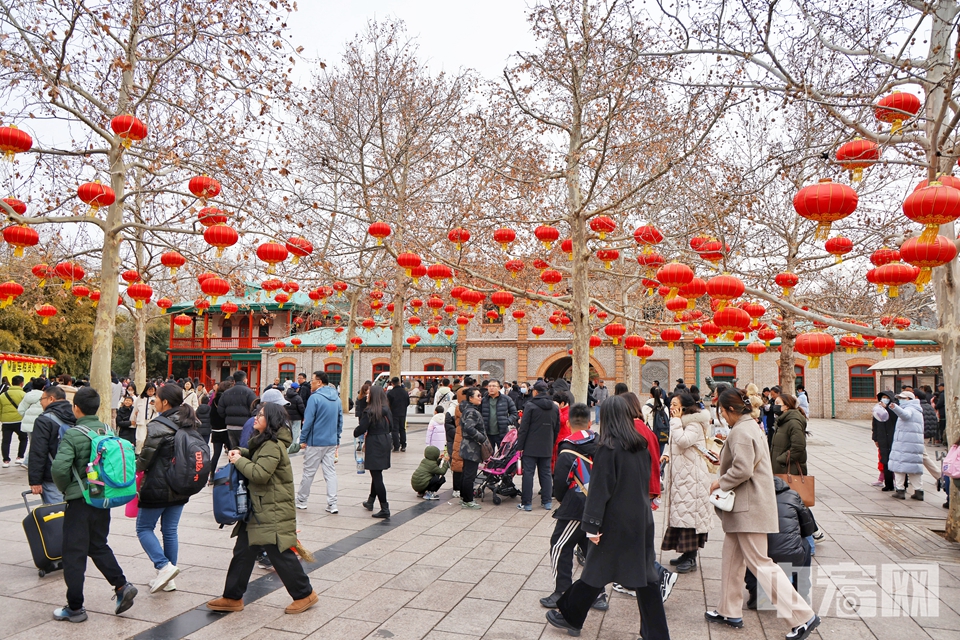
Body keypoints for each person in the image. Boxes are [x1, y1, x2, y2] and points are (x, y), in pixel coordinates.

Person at [544, 396, 670, 639]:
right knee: (645, 577)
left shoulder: (608, 447)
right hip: (641, 518)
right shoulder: (641, 444)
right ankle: (656, 633)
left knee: (596, 571)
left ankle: (570, 614)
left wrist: (591, 524)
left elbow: (599, 490)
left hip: (615, 521)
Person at [706, 388, 819, 639]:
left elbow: (743, 470)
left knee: (761, 564)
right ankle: (728, 609)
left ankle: (803, 616)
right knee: (732, 560)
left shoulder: (742, 431)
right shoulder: (749, 426)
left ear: (731, 410)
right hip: (747, 507)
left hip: (748, 507)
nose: (722, 416)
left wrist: (720, 482)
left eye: (722, 411)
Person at [206, 403, 318, 615]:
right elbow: (259, 459)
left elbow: (260, 474)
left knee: (280, 553)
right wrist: (243, 452)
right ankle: (232, 597)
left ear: (272, 421)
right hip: (259, 507)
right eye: (257, 413)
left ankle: (305, 594)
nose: (256, 417)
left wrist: (239, 460)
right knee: (243, 553)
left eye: (262, 415)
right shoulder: (265, 442)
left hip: (271, 508)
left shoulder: (272, 445)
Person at [51, 387, 138, 622]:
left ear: (75, 407)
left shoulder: (73, 433)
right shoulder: (107, 429)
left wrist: (65, 488)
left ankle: (75, 608)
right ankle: (121, 586)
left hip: (80, 500)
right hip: (101, 496)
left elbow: (59, 469)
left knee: (73, 553)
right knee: (97, 544)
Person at [541, 405, 609, 611]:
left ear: (568, 423)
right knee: (591, 550)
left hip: (576, 506)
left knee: (560, 545)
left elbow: (559, 483)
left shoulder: (567, 448)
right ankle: (599, 594)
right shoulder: (603, 444)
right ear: (590, 423)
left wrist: (563, 500)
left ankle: (562, 591)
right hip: (599, 506)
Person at [136, 384, 198, 593]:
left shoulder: (158, 425)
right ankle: (168, 579)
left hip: (158, 486)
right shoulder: (190, 422)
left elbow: (144, 461)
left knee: (144, 528)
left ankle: (163, 566)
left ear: (165, 402)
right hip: (181, 485)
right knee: (170, 530)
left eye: (157, 399)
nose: (154, 402)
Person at [660, 391, 713, 574]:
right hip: (683, 476)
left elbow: (683, 441)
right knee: (682, 515)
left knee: (690, 516)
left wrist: (674, 422)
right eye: (671, 404)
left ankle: (691, 557)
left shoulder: (693, 423)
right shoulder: (682, 423)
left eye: (675, 404)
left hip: (693, 478)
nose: (672, 408)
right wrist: (666, 454)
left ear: (685, 406)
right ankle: (685, 554)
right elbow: (674, 441)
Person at [745, 476, 815, 609]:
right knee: (805, 543)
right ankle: (801, 593)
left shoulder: (754, 497)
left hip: (763, 552)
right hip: (791, 556)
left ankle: (756, 593)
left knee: (750, 547)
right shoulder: (793, 496)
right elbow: (808, 528)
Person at [297, 372, 343, 513]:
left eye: (312, 380)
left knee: (309, 472)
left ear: (319, 382)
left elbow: (308, 421)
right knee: (330, 473)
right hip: (330, 441)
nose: (311, 383)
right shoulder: (337, 398)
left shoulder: (314, 398)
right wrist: (337, 439)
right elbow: (340, 420)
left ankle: (302, 500)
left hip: (315, 441)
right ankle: (332, 503)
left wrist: (303, 439)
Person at [516, 381, 560, 512]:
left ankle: (527, 503)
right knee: (545, 473)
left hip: (530, 444)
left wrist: (520, 445)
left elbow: (524, 428)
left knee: (528, 473)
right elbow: (556, 428)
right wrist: (551, 442)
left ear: (535, 391)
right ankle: (547, 502)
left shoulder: (530, 406)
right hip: (547, 444)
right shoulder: (554, 407)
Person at [27, 385, 72, 504]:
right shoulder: (76, 415)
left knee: (56, 515)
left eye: (42, 399)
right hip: (75, 475)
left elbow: (38, 451)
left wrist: (35, 481)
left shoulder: (44, 420)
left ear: (51, 399)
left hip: (52, 476)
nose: (41, 403)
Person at [355, 385, 393, 518]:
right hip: (385, 440)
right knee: (376, 473)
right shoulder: (386, 409)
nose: (366, 395)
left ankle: (385, 507)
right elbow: (392, 426)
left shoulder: (369, 411)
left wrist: (356, 432)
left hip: (374, 442)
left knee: (377, 476)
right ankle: (370, 501)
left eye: (368, 393)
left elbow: (362, 428)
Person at [886, 390, 925, 500]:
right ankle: (919, 491)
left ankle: (900, 490)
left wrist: (895, 408)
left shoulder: (909, 409)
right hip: (914, 444)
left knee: (898, 467)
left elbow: (905, 416)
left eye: (903, 398)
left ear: (909, 399)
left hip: (904, 444)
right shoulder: (918, 410)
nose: (900, 401)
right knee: (914, 468)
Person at [457, 388, 489, 509]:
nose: (480, 397)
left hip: (467, 446)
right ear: (471, 398)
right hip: (472, 448)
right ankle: (468, 500)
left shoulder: (468, 409)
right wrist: (482, 438)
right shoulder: (472, 411)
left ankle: (463, 497)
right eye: (478, 395)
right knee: (469, 475)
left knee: (466, 473)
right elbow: (469, 428)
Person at [217, 370, 257, 448]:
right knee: (244, 450)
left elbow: (220, 410)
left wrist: (227, 417)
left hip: (230, 426)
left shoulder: (226, 393)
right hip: (245, 425)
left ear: (234, 380)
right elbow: (255, 408)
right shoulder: (249, 392)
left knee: (233, 449)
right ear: (245, 379)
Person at [771, 394, 808, 475]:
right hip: (779, 469)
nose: (775, 406)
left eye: (777, 403)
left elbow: (798, 447)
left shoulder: (794, 422)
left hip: (789, 469)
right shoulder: (782, 421)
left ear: (786, 406)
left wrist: (781, 460)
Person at [480, 379, 519, 452]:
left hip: (502, 433)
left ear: (499, 388)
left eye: (494, 386)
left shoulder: (506, 399)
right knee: (488, 457)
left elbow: (514, 413)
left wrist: (507, 421)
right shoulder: (483, 400)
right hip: (487, 434)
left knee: (503, 455)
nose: (491, 388)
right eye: (489, 386)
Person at [1, 375, 26, 467]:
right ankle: (19, 457)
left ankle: (6, 461)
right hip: (19, 420)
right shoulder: (23, 395)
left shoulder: (3, 395)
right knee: (23, 438)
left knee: (6, 441)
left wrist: (2, 418)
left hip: (6, 422)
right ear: (21, 383)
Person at [209, 379, 234, 473]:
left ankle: (211, 475)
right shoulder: (226, 399)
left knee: (216, 454)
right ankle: (230, 473)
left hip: (215, 430)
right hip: (226, 429)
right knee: (231, 453)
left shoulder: (214, 399)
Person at [642, 386, 670, 456]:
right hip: (662, 436)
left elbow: (643, 423)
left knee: (651, 458)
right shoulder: (665, 408)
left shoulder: (646, 407)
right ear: (661, 395)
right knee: (659, 458)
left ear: (650, 395)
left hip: (650, 437)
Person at [131, 383, 158, 453]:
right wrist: (133, 420)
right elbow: (135, 409)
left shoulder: (156, 399)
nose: (151, 392)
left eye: (153, 391)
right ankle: (138, 453)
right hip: (141, 421)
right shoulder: (140, 398)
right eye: (149, 390)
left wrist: (154, 405)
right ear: (146, 390)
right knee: (140, 439)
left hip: (151, 421)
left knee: (149, 439)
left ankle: (147, 454)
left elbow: (157, 410)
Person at [386, 377, 410, 452]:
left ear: (392, 383)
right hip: (403, 413)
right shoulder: (404, 392)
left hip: (394, 413)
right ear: (399, 382)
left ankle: (396, 446)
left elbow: (388, 404)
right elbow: (408, 402)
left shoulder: (390, 393)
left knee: (395, 430)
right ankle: (403, 445)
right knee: (402, 429)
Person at [284, 382, 306, 454]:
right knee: (295, 432)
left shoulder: (285, 396)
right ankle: (293, 446)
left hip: (288, 417)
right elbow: (301, 408)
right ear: (297, 389)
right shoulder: (298, 397)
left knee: (289, 431)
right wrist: (304, 416)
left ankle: (288, 444)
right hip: (297, 418)